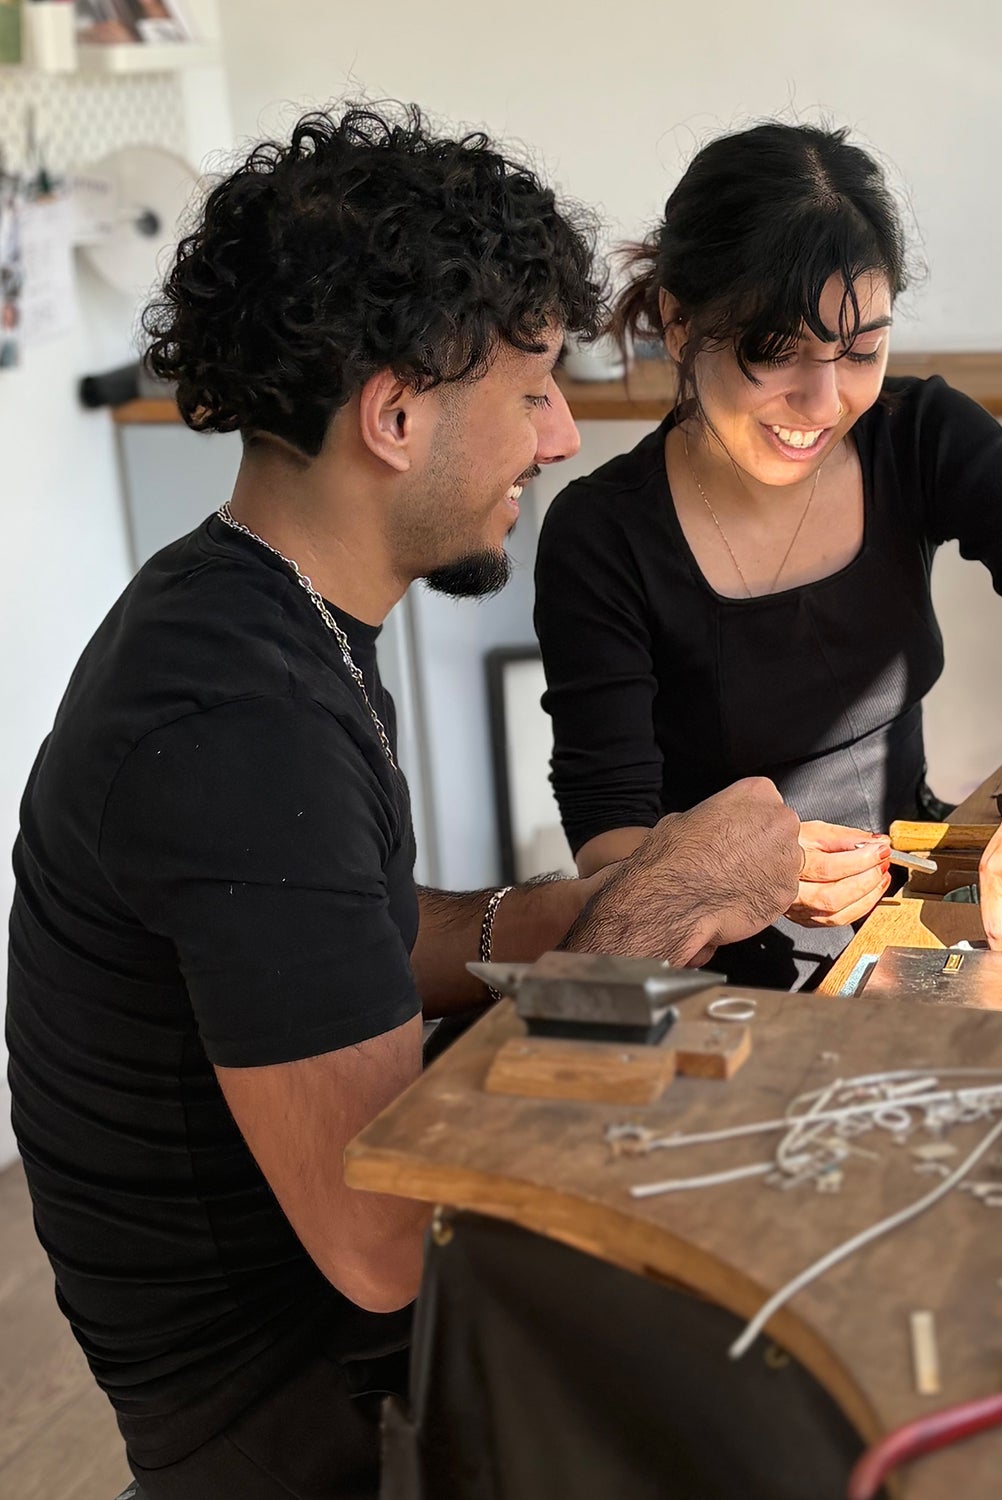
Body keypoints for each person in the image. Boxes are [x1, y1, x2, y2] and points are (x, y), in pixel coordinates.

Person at [6, 106, 801, 1500]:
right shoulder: (237, 723)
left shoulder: (253, 609)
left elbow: (343, 937)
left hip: (355, 1364)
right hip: (320, 1431)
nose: (561, 436)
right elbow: (382, 1243)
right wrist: (670, 903)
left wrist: (585, 907)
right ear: (394, 415)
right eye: (534, 390)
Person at [534, 122, 1002, 990]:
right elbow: (608, 844)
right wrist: (745, 873)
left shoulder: (918, 435)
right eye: (774, 353)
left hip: (916, 922)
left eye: (862, 350)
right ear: (680, 325)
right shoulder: (603, 534)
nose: (825, 401)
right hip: (722, 971)